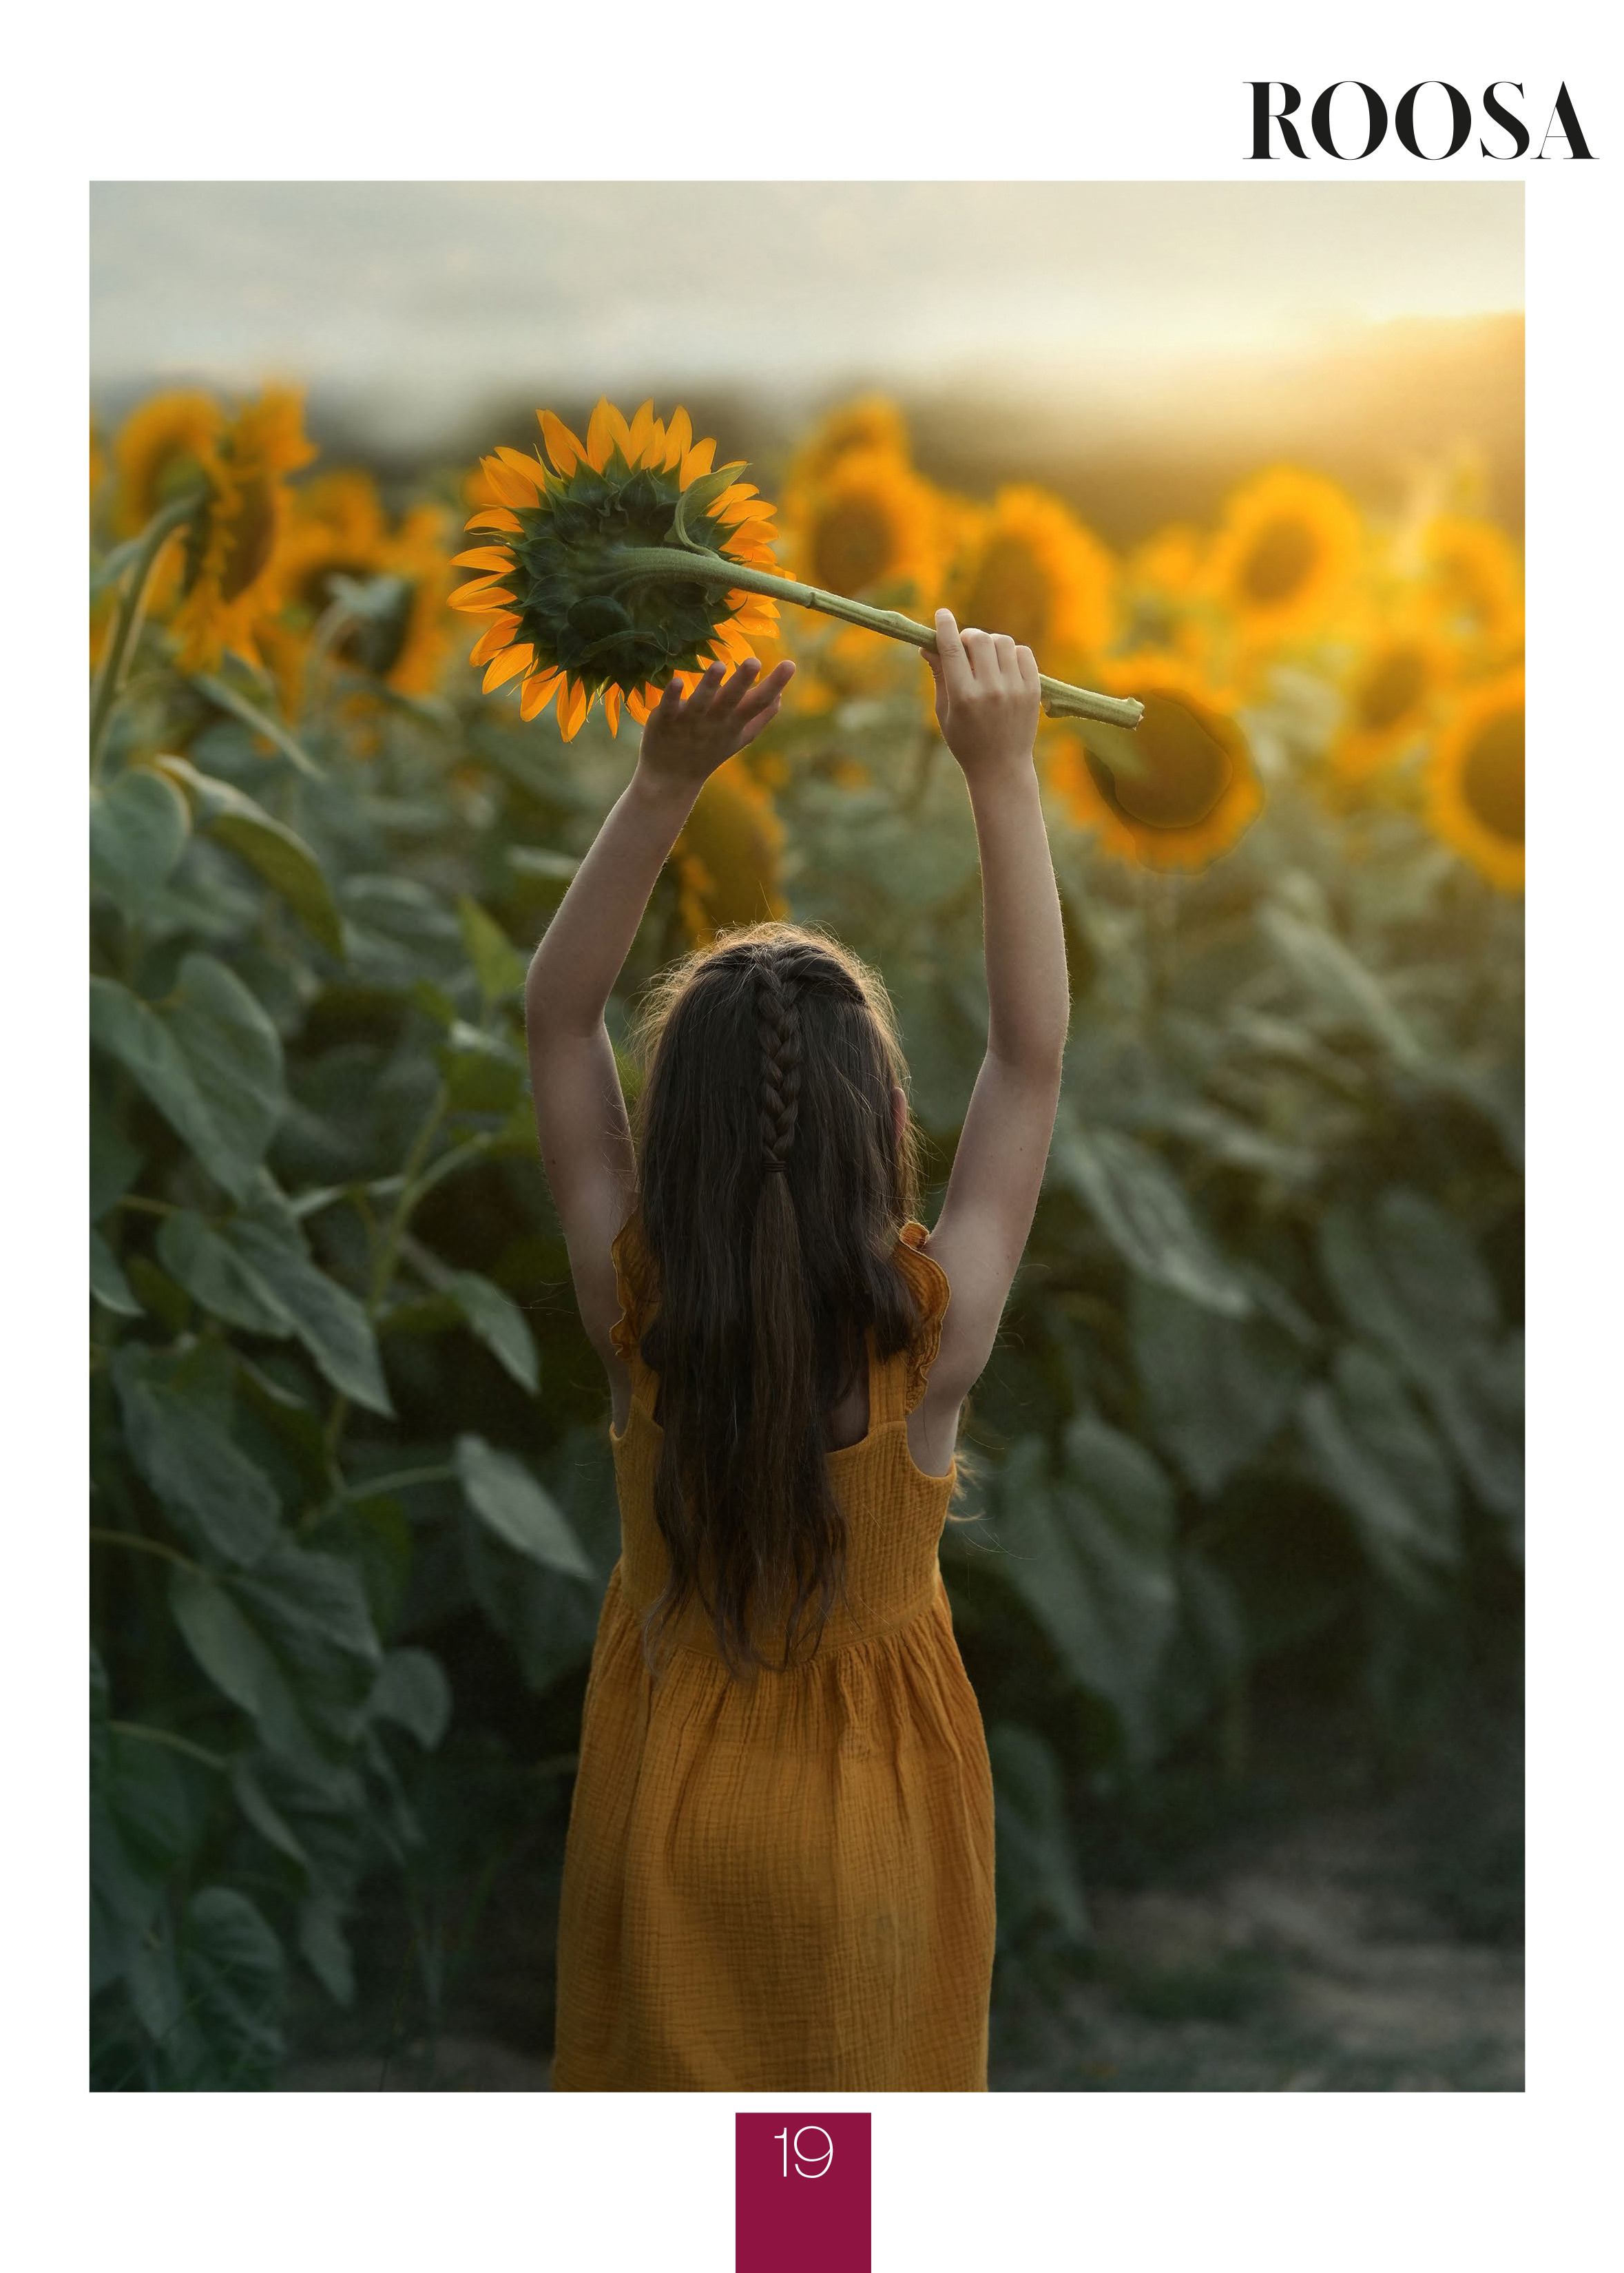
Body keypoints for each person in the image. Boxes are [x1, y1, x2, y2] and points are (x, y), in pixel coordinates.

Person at [525, 608, 1070, 2090]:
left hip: (669, 1820)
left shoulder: (631, 1307)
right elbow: (1029, 1061)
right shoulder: (928, 1337)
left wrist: (659, 788)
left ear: (674, 1140)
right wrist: (1002, 778)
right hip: (871, 1839)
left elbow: (559, 1019)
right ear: (885, 1131)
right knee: (820, 2214)